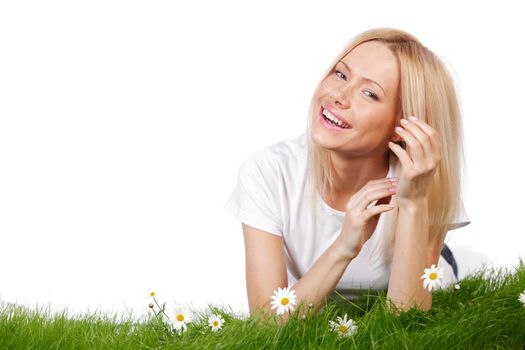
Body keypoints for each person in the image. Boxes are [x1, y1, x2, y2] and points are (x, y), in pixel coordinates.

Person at [224, 28, 471, 321]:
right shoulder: (268, 172)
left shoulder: (422, 174)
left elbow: (407, 320)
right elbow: (265, 324)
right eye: (341, 74)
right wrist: (344, 247)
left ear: (402, 124)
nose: (338, 96)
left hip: (434, 285)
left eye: (369, 93)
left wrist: (414, 202)